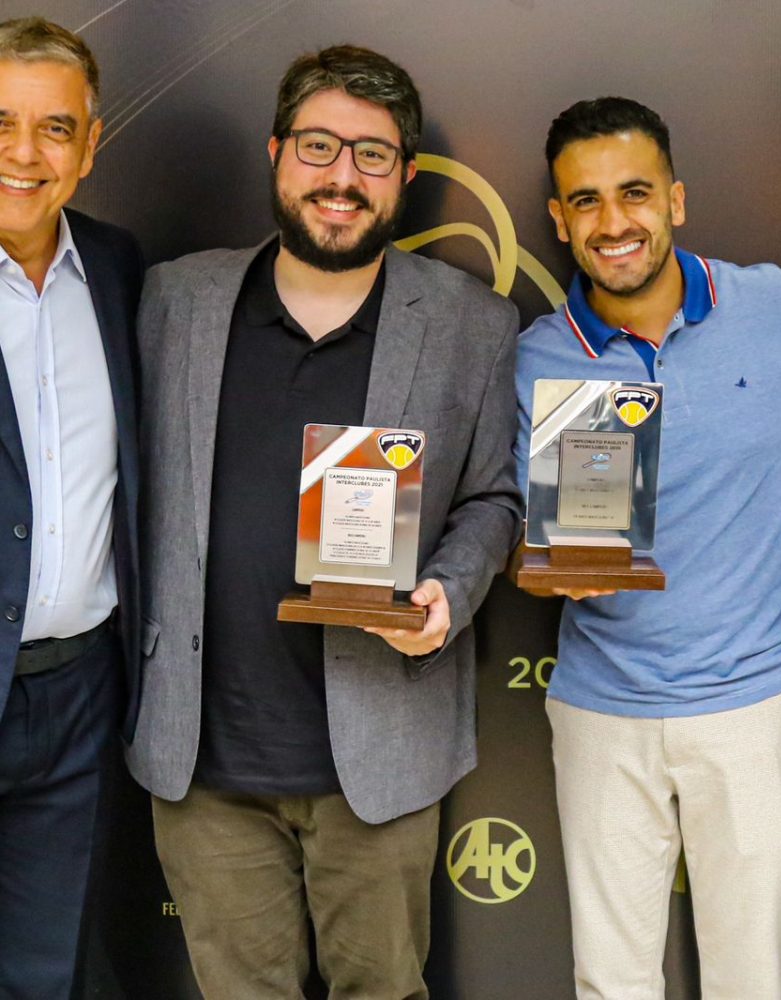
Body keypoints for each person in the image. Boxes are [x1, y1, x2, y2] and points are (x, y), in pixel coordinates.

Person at [125, 44, 521, 1000]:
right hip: (203, 757)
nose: (342, 177)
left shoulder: (472, 323)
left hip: (380, 750)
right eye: (318, 146)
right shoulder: (174, 300)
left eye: (371, 154)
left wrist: (449, 590)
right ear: (276, 153)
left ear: (405, 175)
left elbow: (494, 498)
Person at [514, 97, 781, 999]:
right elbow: (507, 537)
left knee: (752, 981)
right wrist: (545, 569)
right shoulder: (536, 357)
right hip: (601, 707)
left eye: (635, 193)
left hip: (753, 698)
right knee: (610, 982)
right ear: (558, 220)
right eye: (586, 201)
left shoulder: (775, 307)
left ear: (676, 200)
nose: (613, 222)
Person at [0, 16, 143, 1000]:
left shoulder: (119, 269)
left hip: (79, 696)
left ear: (90, 147)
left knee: (49, 979)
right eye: (1, 122)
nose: (24, 153)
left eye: (54, 128)